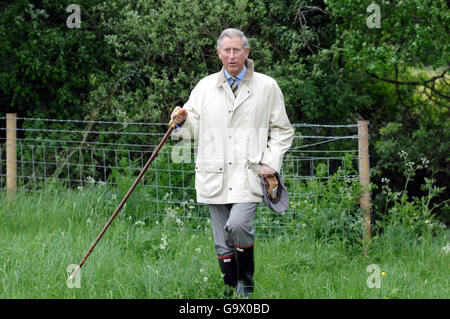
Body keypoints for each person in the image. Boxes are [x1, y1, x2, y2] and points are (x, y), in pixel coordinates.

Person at [170, 28, 294, 298]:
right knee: (222, 243)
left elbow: (283, 130)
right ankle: (230, 290)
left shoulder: (267, 86)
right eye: (226, 50)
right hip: (213, 173)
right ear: (218, 53)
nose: (231, 55)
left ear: (246, 52)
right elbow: (191, 127)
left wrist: (270, 163)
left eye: (237, 49)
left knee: (238, 224)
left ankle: (245, 284)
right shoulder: (204, 87)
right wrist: (181, 120)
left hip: (249, 174)